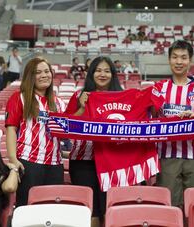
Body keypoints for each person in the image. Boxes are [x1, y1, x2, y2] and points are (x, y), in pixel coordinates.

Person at [65, 56, 123, 227]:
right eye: (98, 70)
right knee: (90, 210)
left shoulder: (122, 96)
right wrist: (82, 108)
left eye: (106, 71)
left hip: (113, 162)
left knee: (110, 208)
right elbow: (67, 126)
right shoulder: (78, 96)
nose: (102, 74)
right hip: (83, 162)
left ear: (113, 74)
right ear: (91, 74)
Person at [155, 40, 194, 212]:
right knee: (170, 207)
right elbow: (149, 118)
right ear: (169, 59)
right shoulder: (158, 88)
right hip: (166, 156)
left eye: (183, 58)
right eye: (175, 57)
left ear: (190, 60)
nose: (179, 62)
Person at [5, 57, 66, 207]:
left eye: (47, 71)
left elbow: (67, 133)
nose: (44, 75)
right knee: (27, 207)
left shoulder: (59, 103)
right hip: (29, 162)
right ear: (30, 76)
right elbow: (11, 129)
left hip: (55, 164)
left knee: (51, 209)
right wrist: (13, 159)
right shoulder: (19, 97)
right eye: (38, 72)